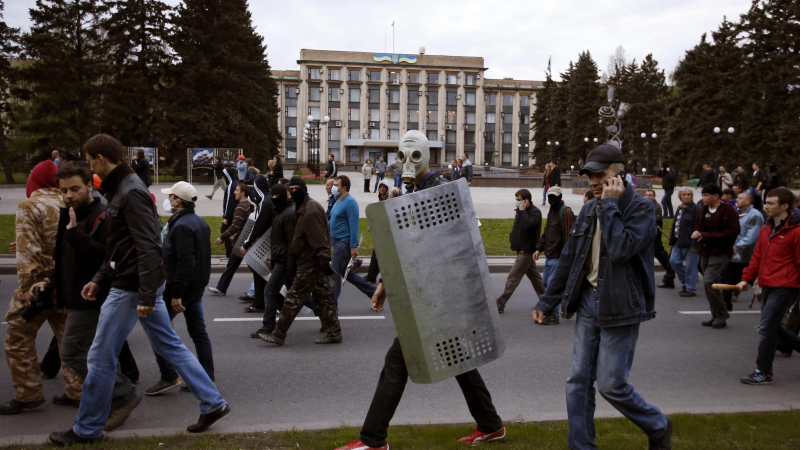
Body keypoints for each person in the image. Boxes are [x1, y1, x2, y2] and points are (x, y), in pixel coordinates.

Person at [49, 135, 229, 445]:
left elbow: (148, 245)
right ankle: (213, 403)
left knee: (99, 357)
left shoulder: (130, 191)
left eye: (91, 161)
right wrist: (101, 277)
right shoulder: (126, 188)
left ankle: (87, 429)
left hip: (131, 286)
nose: (90, 166)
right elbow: (122, 246)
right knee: (170, 346)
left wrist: (145, 294)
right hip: (134, 282)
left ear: (102, 159)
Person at [338, 131, 505, 450]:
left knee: (398, 361)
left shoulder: (440, 191)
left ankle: (373, 440)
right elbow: (408, 247)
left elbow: (460, 244)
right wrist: (386, 283)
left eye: (413, 156)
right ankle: (491, 424)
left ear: (426, 156)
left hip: (441, 299)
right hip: (436, 297)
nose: (407, 164)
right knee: (461, 361)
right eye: (402, 157)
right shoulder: (413, 192)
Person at [533, 144, 672, 450]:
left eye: (600, 175)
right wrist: (546, 301)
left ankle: (658, 424)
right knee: (578, 381)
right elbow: (570, 259)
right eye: (589, 175)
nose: (593, 182)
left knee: (612, 385)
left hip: (621, 306)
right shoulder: (588, 208)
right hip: (588, 303)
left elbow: (622, 250)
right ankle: (581, 446)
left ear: (619, 174)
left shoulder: (642, 209)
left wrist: (609, 206)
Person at [30, 163, 140, 422]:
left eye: (75, 189)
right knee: (95, 353)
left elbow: (107, 259)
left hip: (93, 297)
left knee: (72, 351)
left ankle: (123, 393)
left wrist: (76, 235)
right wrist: (49, 281)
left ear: (90, 187)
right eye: (64, 190)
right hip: (74, 296)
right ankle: (110, 401)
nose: (69, 195)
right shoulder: (69, 214)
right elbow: (64, 259)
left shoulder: (103, 215)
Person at [1, 161, 82, 416]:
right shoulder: (68, 203)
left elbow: (29, 251)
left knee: (17, 337)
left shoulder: (29, 206)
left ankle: (28, 394)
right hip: (66, 283)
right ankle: (77, 391)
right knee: (68, 340)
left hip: (40, 285)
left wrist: (27, 288)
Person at [146, 181, 215, 396]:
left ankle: (168, 375)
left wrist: (177, 294)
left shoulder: (182, 225)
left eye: (170, 197)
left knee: (159, 332)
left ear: (178, 201)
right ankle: (206, 376)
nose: (168, 201)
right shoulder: (198, 222)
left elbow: (186, 262)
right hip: (194, 288)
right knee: (198, 333)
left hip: (178, 289)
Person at [259, 177, 343, 346]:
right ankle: (334, 331)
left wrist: (324, 262)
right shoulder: (302, 207)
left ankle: (279, 333)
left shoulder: (310, 210)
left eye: (298, 188)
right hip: (309, 261)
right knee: (323, 298)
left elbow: (319, 239)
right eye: (292, 188)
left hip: (310, 262)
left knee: (293, 298)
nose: (294, 191)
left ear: (304, 189)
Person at [736, 187, 800, 385]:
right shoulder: (767, 228)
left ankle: (763, 372)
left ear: (785, 206)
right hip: (767, 284)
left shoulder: (796, 231)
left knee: (766, 328)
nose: (766, 207)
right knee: (772, 328)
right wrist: (746, 278)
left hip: (786, 286)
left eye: (771, 203)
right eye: (766, 202)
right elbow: (757, 256)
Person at [692, 183, 740, 329]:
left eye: (706, 195)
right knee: (709, 286)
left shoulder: (728, 210)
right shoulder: (705, 208)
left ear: (716, 196)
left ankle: (722, 314)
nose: (703, 198)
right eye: (703, 195)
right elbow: (699, 224)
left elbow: (733, 231)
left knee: (709, 281)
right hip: (706, 250)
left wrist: (706, 235)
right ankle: (715, 314)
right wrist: (697, 232)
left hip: (721, 251)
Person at [250, 184, 294, 339]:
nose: (274, 198)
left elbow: (290, 241)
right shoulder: (280, 212)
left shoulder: (288, 214)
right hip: (281, 259)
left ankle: (268, 326)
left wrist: (279, 258)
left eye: (277, 196)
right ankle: (325, 314)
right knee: (296, 294)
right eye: (272, 195)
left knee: (270, 291)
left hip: (285, 261)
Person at [329, 175, 377, 304]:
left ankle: (331, 306)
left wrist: (353, 246)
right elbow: (333, 221)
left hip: (343, 244)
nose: (333, 187)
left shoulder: (350, 202)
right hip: (336, 242)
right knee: (348, 274)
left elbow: (354, 225)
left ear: (344, 188)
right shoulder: (337, 201)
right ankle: (373, 292)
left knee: (334, 276)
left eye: (336, 185)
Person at [495, 189, 543, 313]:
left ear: (526, 200)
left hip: (527, 251)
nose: (517, 203)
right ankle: (548, 302)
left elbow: (528, 225)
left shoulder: (535, 213)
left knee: (513, 277)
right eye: (516, 200)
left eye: (519, 200)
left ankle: (499, 304)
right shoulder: (521, 212)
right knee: (536, 280)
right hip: (522, 249)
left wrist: (522, 211)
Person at [533, 186, 574, 324]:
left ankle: (553, 315)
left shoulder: (566, 212)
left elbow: (568, 237)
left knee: (552, 285)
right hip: (550, 255)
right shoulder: (552, 211)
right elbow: (547, 231)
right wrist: (539, 248)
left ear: (560, 197)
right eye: (549, 196)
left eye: (554, 197)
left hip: (559, 257)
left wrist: (565, 257)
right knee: (545, 283)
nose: (551, 200)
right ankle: (564, 305)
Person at [720, 192, 764, 311]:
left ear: (748, 201)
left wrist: (737, 247)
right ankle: (725, 307)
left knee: (757, 285)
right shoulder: (737, 213)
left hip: (748, 256)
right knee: (727, 280)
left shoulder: (755, 215)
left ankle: (770, 308)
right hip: (735, 256)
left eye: (740, 198)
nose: (737, 200)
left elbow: (752, 236)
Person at [208, 184, 253, 296]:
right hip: (245, 240)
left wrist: (222, 237)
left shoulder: (241, 207)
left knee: (248, 268)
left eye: (237, 190)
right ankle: (221, 288)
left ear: (243, 193)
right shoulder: (248, 205)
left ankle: (261, 291)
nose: (234, 192)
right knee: (232, 265)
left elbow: (235, 226)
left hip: (242, 242)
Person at [240, 176, 274, 313]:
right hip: (267, 242)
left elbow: (259, 225)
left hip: (264, 243)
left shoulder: (265, 202)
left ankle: (261, 303)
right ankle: (261, 302)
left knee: (259, 273)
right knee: (261, 274)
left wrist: (247, 243)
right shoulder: (267, 200)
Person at [669, 187, 702, 297]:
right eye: (684, 195)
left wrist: (695, 244)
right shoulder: (679, 208)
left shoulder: (696, 209)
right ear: (680, 197)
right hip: (678, 242)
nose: (686, 196)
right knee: (674, 262)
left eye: (689, 194)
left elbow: (699, 227)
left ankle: (690, 289)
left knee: (691, 267)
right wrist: (672, 240)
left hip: (691, 244)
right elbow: (675, 226)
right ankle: (686, 283)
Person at [645, 190, 677, 289]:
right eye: (646, 195)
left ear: (654, 196)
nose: (648, 197)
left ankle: (670, 271)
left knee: (660, 254)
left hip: (655, 235)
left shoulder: (656, 206)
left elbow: (657, 218)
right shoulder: (644, 205)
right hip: (647, 235)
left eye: (650, 195)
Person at [366, 179, 392, 283]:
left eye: (384, 187)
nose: (381, 188)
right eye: (380, 187)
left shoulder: (388, 201)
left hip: (386, 234)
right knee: (376, 254)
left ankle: (374, 277)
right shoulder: (380, 200)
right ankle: (371, 276)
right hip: (381, 233)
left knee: (381, 255)